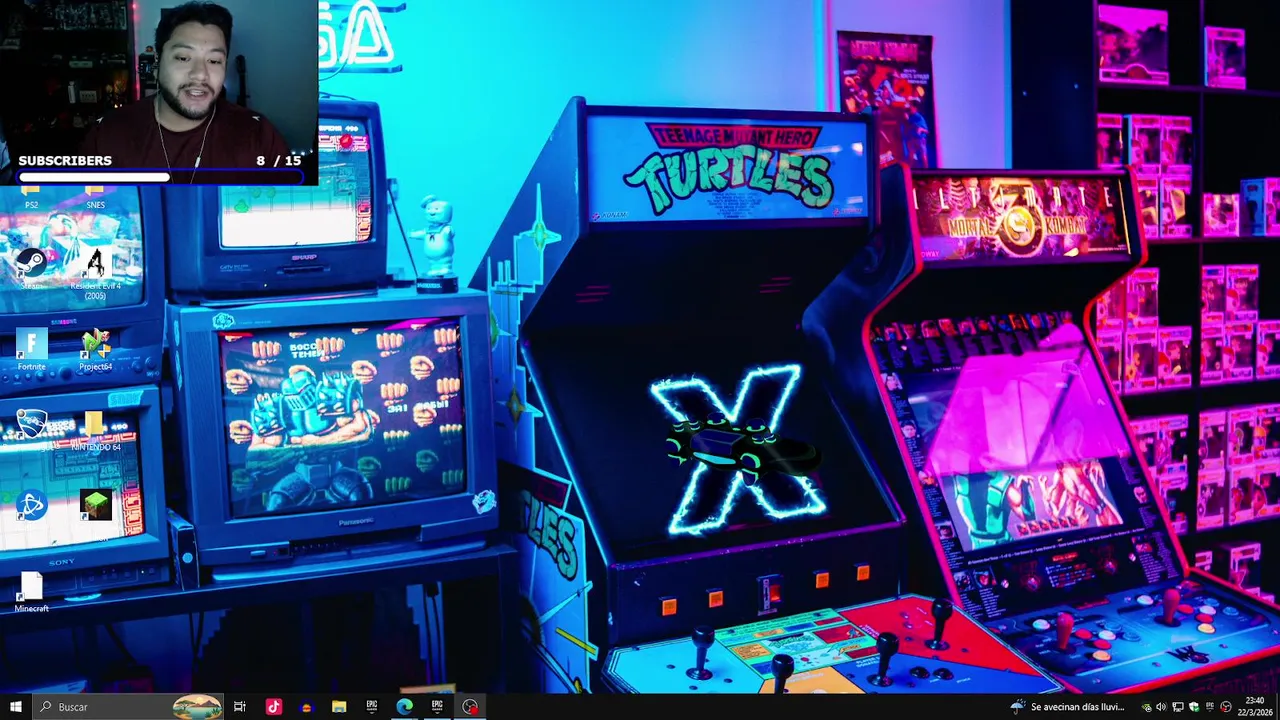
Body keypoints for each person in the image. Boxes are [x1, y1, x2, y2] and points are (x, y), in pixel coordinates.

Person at [80, 2, 291, 183]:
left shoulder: (259, 135)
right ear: (157, 63)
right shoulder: (107, 135)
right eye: (183, 58)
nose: (200, 74)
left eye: (214, 61)